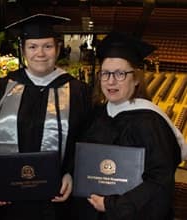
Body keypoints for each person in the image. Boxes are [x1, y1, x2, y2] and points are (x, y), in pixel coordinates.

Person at [0, 13, 91, 220]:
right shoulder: (0, 90)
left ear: (57, 49)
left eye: (47, 46)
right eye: (33, 46)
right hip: (9, 199)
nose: (40, 53)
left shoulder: (77, 91)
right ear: (23, 50)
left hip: (56, 200)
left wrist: (72, 174)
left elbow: (86, 140)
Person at [73, 30, 186, 220]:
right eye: (106, 73)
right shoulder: (96, 115)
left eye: (120, 74)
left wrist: (113, 205)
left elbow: (159, 182)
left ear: (135, 80)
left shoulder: (150, 122)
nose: (111, 81)